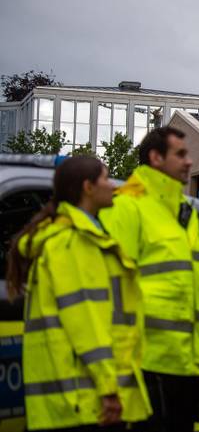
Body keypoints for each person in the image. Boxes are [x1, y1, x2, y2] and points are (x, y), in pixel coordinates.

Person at [7, 156, 151, 431]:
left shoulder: (78, 236)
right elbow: (86, 322)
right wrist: (109, 389)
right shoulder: (73, 242)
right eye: (106, 178)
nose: (114, 186)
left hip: (77, 401)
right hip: (83, 402)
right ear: (87, 187)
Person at [100, 127, 199, 432]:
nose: (189, 161)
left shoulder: (182, 212)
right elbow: (110, 289)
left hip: (185, 363)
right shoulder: (127, 206)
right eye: (180, 154)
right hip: (145, 368)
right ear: (155, 157)